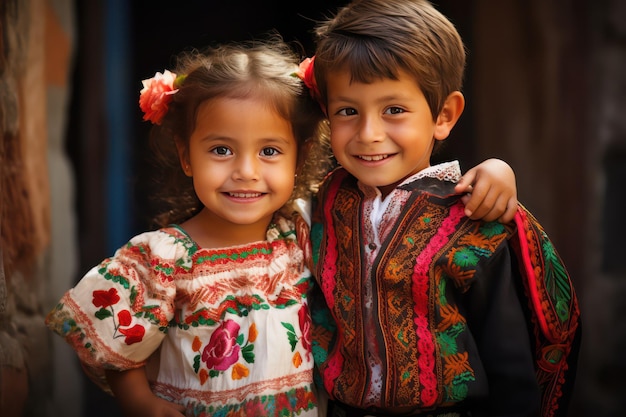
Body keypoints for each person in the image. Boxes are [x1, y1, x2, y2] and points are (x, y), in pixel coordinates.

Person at [46, 36, 518, 417]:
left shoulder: (304, 229)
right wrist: (140, 402)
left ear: (299, 159)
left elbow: (394, 196)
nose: (246, 171)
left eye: (269, 151)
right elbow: (109, 346)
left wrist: (495, 168)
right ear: (186, 156)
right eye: (221, 150)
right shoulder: (163, 258)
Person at [300, 1, 582, 416]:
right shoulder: (324, 203)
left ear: (444, 115)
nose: (369, 133)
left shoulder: (472, 216)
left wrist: (499, 168)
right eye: (348, 111)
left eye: (393, 110)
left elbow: (508, 360)